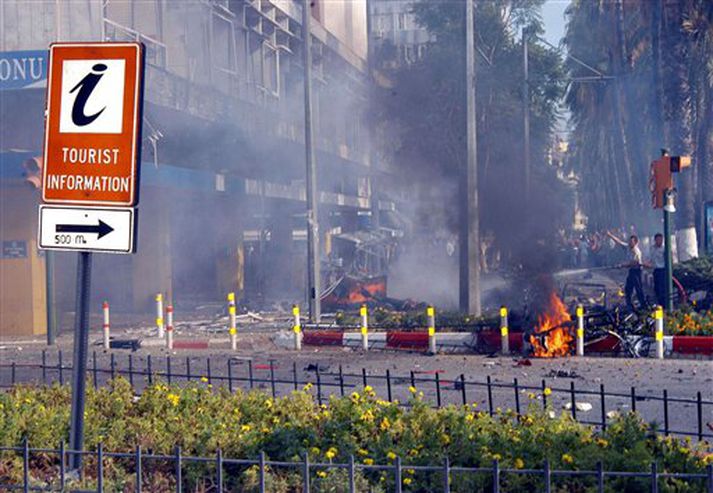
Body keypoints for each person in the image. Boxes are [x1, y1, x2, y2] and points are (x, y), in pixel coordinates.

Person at [607, 230, 648, 311]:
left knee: (638, 289)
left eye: (631, 242)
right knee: (628, 289)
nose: (630, 243)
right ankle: (629, 305)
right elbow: (619, 242)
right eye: (629, 241)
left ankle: (644, 306)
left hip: (636, 272)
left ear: (636, 242)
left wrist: (621, 265)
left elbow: (634, 263)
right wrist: (610, 235)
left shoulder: (637, 252)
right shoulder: (628, 247)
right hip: (631, 271)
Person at [649, 233, 666, 307]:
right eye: (658, 239)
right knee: (656, 289)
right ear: (655, 240)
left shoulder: (665, 249)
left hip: (663, 270)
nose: (660, 241)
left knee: (663, 289)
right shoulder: (652, 248)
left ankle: (664, 305)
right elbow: (651, 259)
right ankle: (659, 304)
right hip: (656, 270)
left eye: (661, 239)